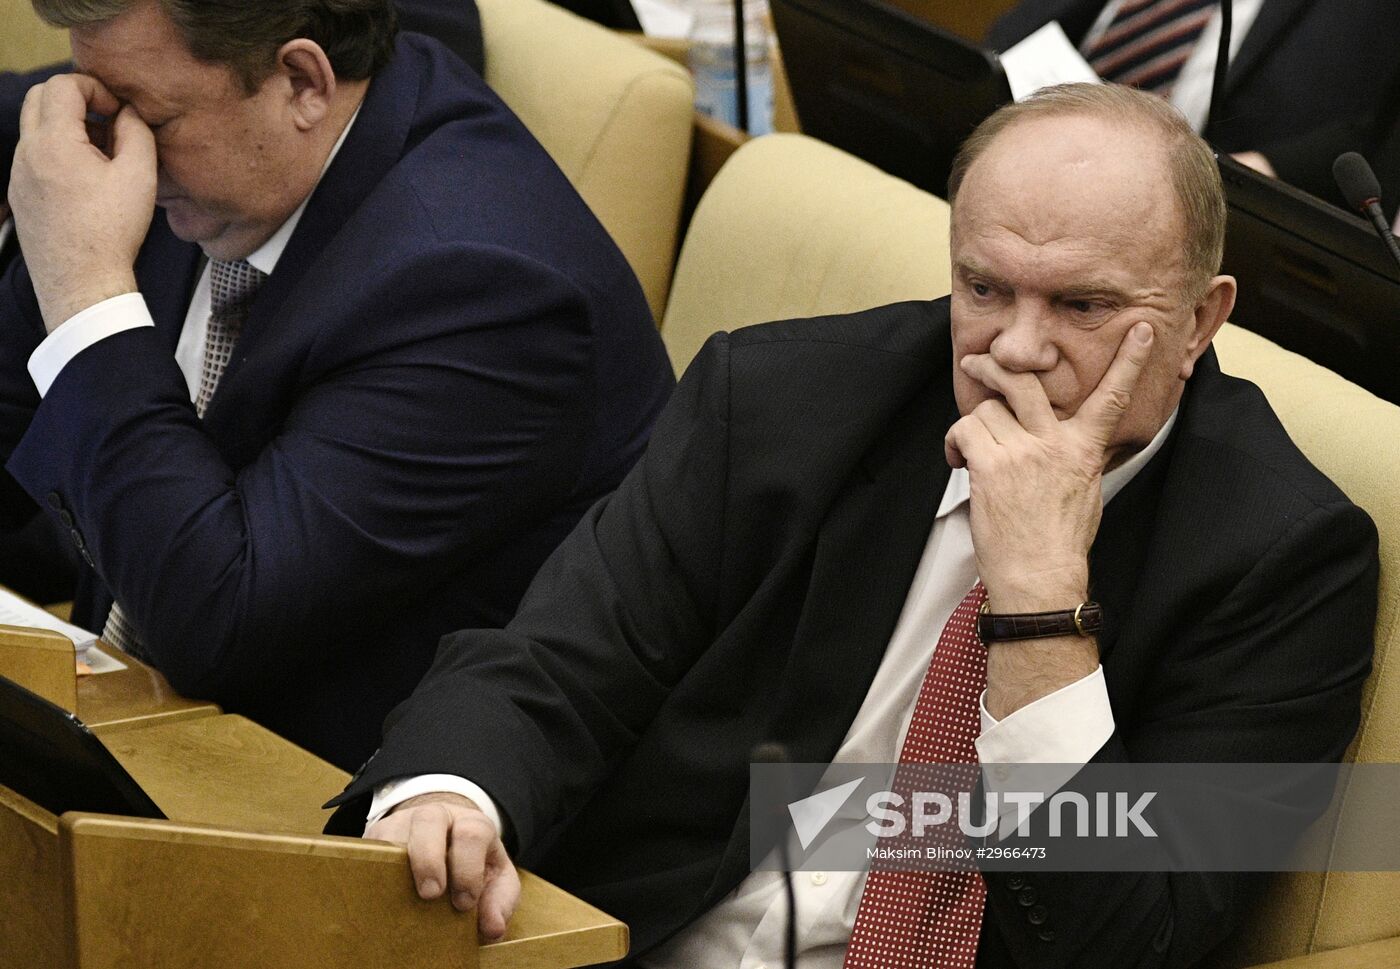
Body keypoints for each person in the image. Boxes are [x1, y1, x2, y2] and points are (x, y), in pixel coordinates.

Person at [326, 82, 1378, 964]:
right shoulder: (783, 400)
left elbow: (1125, 941)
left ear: (1199, 321)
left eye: (1082, 308)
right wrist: (449, 796)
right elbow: (559, 662)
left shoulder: (1282, 560)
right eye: (983, 287)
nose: (1012, 350)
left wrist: (1039, 611)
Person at [0, 0, 674, 770]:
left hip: (356, 819)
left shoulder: (482, 289)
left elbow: (215, 621)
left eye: (149, 122)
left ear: (301, 81)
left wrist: (87, 292)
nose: (121, 156)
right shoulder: (194, 142)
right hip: (145, 740)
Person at [985, 0, 1400, 218]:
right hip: (1013, 159)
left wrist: (1222, 178)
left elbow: (1370, 139)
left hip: (1190, 212)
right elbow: (1006, 42)